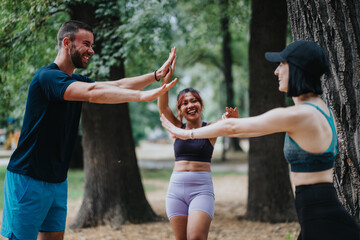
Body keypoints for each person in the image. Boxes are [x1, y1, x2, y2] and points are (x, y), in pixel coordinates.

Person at [161, 40, 360, 240]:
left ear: (297, 69)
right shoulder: (319, 109)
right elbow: (247, 131)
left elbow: (233, 127)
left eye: (281, 64)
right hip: (317, 213)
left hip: (321, 219)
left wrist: (185, 134)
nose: (275, 71)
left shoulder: (300, 114)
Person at [1, 20, 177, 240]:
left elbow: (118, 85)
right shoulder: (47, 78)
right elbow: (93, 92)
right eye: (86, 44)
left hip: (57, 180)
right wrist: (142, 96)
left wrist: (155, 76)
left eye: (92, 45)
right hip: (28, 178)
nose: (91, 50)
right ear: (67, 43)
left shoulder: (74, 80)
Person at [157, 53, 238, 240]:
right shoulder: (177, 128)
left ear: (200, 105)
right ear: (180, 110)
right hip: (176, 190)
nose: (190, 105)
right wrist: (165, 81)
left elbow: (228, 126)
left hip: (201, 190)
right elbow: (162, 109)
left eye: (194, 100)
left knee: (196, 238)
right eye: (184, 103)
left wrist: (231, 119)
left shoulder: (210, 129)